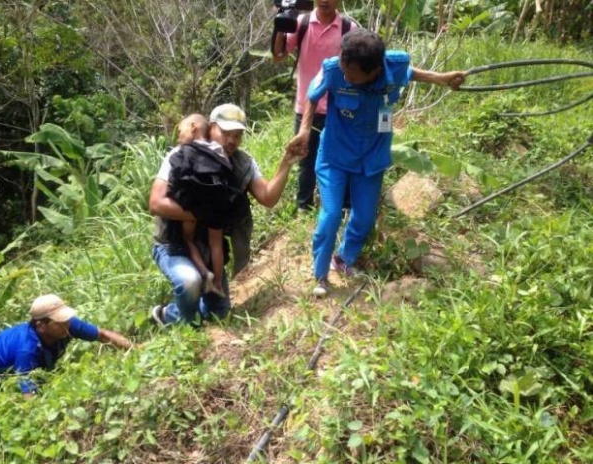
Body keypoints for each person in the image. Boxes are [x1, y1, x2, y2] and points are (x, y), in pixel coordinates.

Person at [287, 29, 466, 297]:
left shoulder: (394, 64)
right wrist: (304, 130)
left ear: (373, 71)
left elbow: (411, 73)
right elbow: (313, 97)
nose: (346, 76)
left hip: (372, 156)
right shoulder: (334, 68)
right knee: (331, 214)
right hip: (334, 155)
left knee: (365, 215)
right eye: (345, 69)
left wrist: (442, 79)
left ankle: (344, 258)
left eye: (353, 76)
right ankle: (321, 274)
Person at [149, 103, 303, 326]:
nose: (231, 141)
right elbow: (155, 203)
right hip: (172, 243)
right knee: (190, 281)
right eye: (225, 133)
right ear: (211, 128)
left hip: (210, 246)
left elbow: (268, 198)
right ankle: (174, 315)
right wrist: (205, 214)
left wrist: (286, 163)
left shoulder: (242, 163)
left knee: (218, 313)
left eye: (238, 135)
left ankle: (178, 313)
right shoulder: (182, 154)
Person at [272, 0, 355, 211]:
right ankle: (304, 206)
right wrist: (281, 25)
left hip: (338, 108)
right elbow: (278, 55)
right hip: (305, 106)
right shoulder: (302, 23)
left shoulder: (348, 29)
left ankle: (342, 206)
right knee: (304, 160)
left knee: (340, 158)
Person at [0, 294, 134, 399]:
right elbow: (28, 394)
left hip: (12, 360)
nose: (66, 324)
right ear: (41, 325)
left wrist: (135, 349)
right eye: (59, 321)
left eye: (66, 318)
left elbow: (103, 335)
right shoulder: (27, 349)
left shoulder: (66, 324)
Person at [166, 114, 249, 298]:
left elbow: (178, 174)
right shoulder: (219, 151)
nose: (179, 135)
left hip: (192, 205)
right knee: (216, 245)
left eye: (182, 130)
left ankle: (205, 272)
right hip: (217, 205)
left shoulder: (185, 150)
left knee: (188, 240)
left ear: (194, 127)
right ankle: (218, 282)